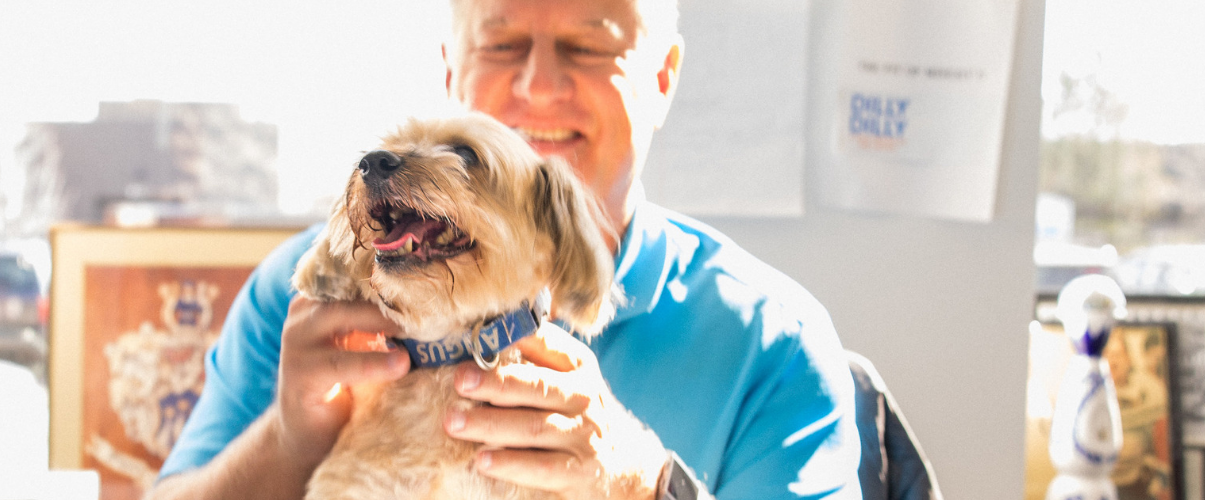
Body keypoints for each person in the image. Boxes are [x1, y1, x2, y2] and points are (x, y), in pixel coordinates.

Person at [148, 0, 863, 498]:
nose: (540, 86)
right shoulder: (306, 296)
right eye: (501, 45)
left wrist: (641, 485)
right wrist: (289, 440)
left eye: (589, 46)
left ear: (663, 76)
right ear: (452, 69)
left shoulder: (772, 343)